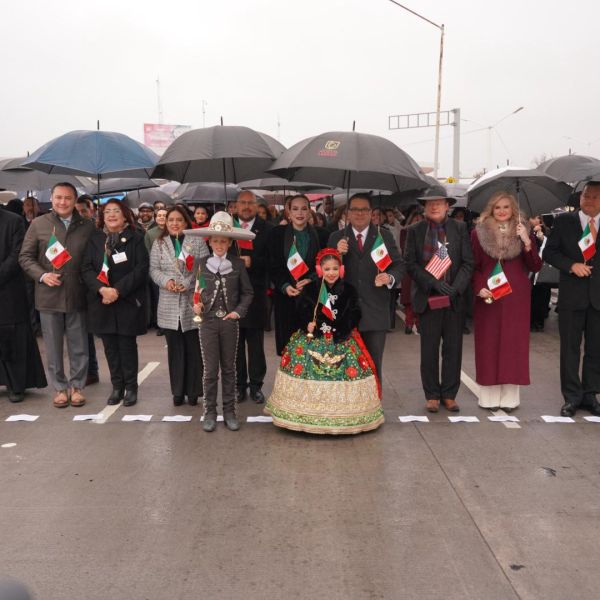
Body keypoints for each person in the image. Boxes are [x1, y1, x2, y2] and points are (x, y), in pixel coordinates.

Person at [266, 248, 384, 434]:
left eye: (335, 269)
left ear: (341, 269)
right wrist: (308, 325)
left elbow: (354, 313)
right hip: (315, 338)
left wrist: (341, 330)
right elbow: (302, 310)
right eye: (327, 269)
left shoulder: (349, 289)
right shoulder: (312, 289)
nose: (331, 273)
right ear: (320, 270)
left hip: (340, 337)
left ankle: (344, 415)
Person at [19, 182, 95, 408]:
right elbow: (25, 257)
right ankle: (60, 389)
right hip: (48, 295)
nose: (63, 202)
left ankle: (77, 387)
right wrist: (42, 276)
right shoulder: (39, 224)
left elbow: (94, 258)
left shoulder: (87, 225)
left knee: (79, 344)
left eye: (68, 198)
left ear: (74, 200)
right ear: (51, 199)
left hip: (77, 293)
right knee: (52, 346)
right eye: (59, 197)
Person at [471, 191, 542, 411]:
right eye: (497, 207)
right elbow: (473, 265)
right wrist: (478, 287)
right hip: (489, 295)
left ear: (513, 210)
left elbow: (535, 266)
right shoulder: (478, 233)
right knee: (488, 344)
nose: (502, 211)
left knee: (513, 346)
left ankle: (510, 398)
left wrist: (527, 241)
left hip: (516, 297)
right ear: (491, 210)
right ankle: (489, 397)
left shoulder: (523, 231)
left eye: (506, 207)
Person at [405, 190, 474, 413]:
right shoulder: (415, 230)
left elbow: (467, 263)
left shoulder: (460, 228)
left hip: (454, 298)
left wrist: (455, 288)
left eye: (439, 203)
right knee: (429, 349)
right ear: (424, 207)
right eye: (430, 203)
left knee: (453, 348)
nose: (434, 206)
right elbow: (410, 264)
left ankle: (450, 395)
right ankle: (432, 395)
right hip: (428, 297)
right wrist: (432, 283)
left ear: (447, 206)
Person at [329, 193, 404, 382]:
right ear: (348, 213)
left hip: (375, 311)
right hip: (345, 313)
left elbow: (399, 265)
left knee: (373, 363)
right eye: (355, 209)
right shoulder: (337, 237)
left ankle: (374, 406)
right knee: (344, 364)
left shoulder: (383, 235)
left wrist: (390, 277)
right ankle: (349, 409)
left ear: (371, 213)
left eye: (364, 209)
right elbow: (326, 273)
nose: (359, 213)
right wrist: (336, 254)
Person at [81, 200, 149, 407]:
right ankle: (117, 387)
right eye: (107, 211)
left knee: (127, 346)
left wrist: (117, 290)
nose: (111, 215)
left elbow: (141, 269)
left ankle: (131, 388)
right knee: (110, 347)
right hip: (102, 300)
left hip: (127, 300)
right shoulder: (95, 239)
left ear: (125, 215)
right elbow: (85, 269)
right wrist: (102, 289)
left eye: (116, 211)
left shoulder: (136, 238)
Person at [192, 212, 253, 432]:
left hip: (229, 322)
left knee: (229, 368)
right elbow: (194, 290)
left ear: (229, 242)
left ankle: (229, 411)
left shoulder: (237, 264)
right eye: (215, 240)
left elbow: (247, 292)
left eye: (223, 241)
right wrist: (195, 304)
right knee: (210, 370)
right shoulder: (200, 263)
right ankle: (209, 411)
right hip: (207, 321)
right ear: (210, 241)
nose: (219, 244)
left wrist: (238, 312)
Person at [544, 181, 600, 417]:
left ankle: (590, 394)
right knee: (570, 349)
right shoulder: (564, 222)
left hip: (598, 298)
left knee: (596, 350)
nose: (589, 200)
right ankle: (571, 397)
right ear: (580, 197)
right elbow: (549, 252)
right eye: (586, 196)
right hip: (571, 297)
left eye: (596, 197)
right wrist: (571, 265)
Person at [150, 205, 209, 406]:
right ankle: (177, 391)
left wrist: (188, 283)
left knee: (194, 349)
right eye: (171, 220)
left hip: (192, 302)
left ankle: (194, 392)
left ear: (186, 222)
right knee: (174, 350)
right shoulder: (159, 243)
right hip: (168, 302)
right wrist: (167, 281)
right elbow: (153, 269)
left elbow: (204, 266)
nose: (175, 223)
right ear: (165, 223)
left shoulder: (197, 241)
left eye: (179, 220)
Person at [0, 208, 47, 402]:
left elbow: (18, 254)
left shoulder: (14, 221)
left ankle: (16, 386)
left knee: (14, 338)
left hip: (8, 289)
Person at [268, 194, 323, 355]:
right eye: (295, 209)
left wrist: (310, 279)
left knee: (312, 349)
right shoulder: (277, 234)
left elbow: (324, 265)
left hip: (311, 298)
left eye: (304, 208)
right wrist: (285, 286)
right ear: (289, 213)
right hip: (286, 298)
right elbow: (273, 265)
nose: (300, 213)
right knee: (288, 349)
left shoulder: (321, 234)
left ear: (309, 212)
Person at [234, 191, 272, 403]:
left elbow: (272, 260)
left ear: (257, 206)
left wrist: (252, 262)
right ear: (235, 206)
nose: (246, 206)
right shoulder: (228, 227)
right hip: (232, 295)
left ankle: (256, 385)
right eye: (243, 203)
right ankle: (239, 385)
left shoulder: (267, 230)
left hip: (257, 295)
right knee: (235, 344)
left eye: (250, 203)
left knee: (256, 344)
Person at [75, 194, 100, 385]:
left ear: (92, 211)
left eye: (84, 210)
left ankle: (92, 370)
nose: (80, 214)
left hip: (93, 285)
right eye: (77, 211)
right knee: (80, 332)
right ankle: (87, 371)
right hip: (74, 286)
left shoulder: (96, 229)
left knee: (88, 331)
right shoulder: (71, 229)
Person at [399, 208, 424, 334]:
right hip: (409, 269)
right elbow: (404, 250)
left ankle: (419, 323)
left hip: (423, 269)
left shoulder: (426, 232)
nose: (418, 221)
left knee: (419, 297)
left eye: (420, 219)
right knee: (409, 299)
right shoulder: (405, 231)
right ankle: (409, 323)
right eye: (416, 219)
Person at [145, 206, 168, 335]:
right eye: (159, 215)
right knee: (157, 298)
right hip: (155, 270)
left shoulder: (172, 230)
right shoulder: (150, 233)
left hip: (170, 270)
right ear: (155, 217)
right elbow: (147, 250)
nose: (161, 217)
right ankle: (160, 324)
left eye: (164, 215)